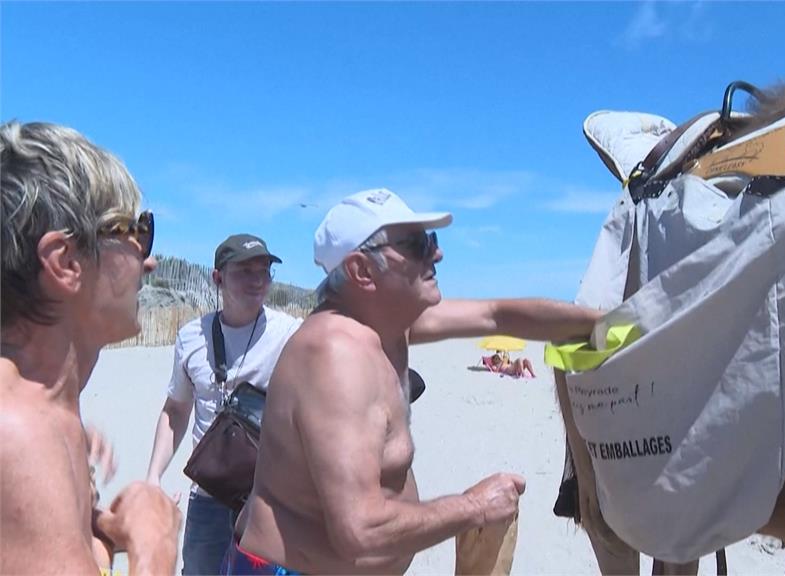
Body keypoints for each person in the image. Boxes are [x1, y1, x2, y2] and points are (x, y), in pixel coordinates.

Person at [230, 188, 601, 574]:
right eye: (417, 244)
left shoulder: (388, 325)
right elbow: (359, 529)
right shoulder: (335, 355)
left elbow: (498, 315)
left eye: (432, 240)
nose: (436, 253)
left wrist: (612, 323)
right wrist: (475, 507)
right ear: (361, 271)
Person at [0, 121, 181, 574]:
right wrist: (153, 546)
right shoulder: (19, 432)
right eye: (133, 232)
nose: (149, 258)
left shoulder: (45, 412)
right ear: (65, 263)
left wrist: (94, 536)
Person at [144, 234, 302, 575]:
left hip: (267, 498)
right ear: (218, 278)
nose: (258, 280)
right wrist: (153, 477)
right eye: (245, 270)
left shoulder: (291, 334)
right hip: (208, 495)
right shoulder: (190, 337)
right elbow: (175, 410)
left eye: (264, 271)